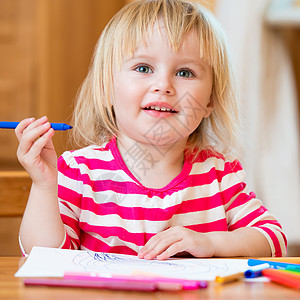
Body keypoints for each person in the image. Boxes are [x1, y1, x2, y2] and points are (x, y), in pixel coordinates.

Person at [15, 0, 287, 259]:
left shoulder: (218, 174)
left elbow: (273, 239)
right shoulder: (79, 172)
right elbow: (45, 255)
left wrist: (212, 242)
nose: (163, 85)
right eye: (143, 67)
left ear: (210, 100)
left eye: (185, 73)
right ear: (106, 88)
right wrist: (44, 186)